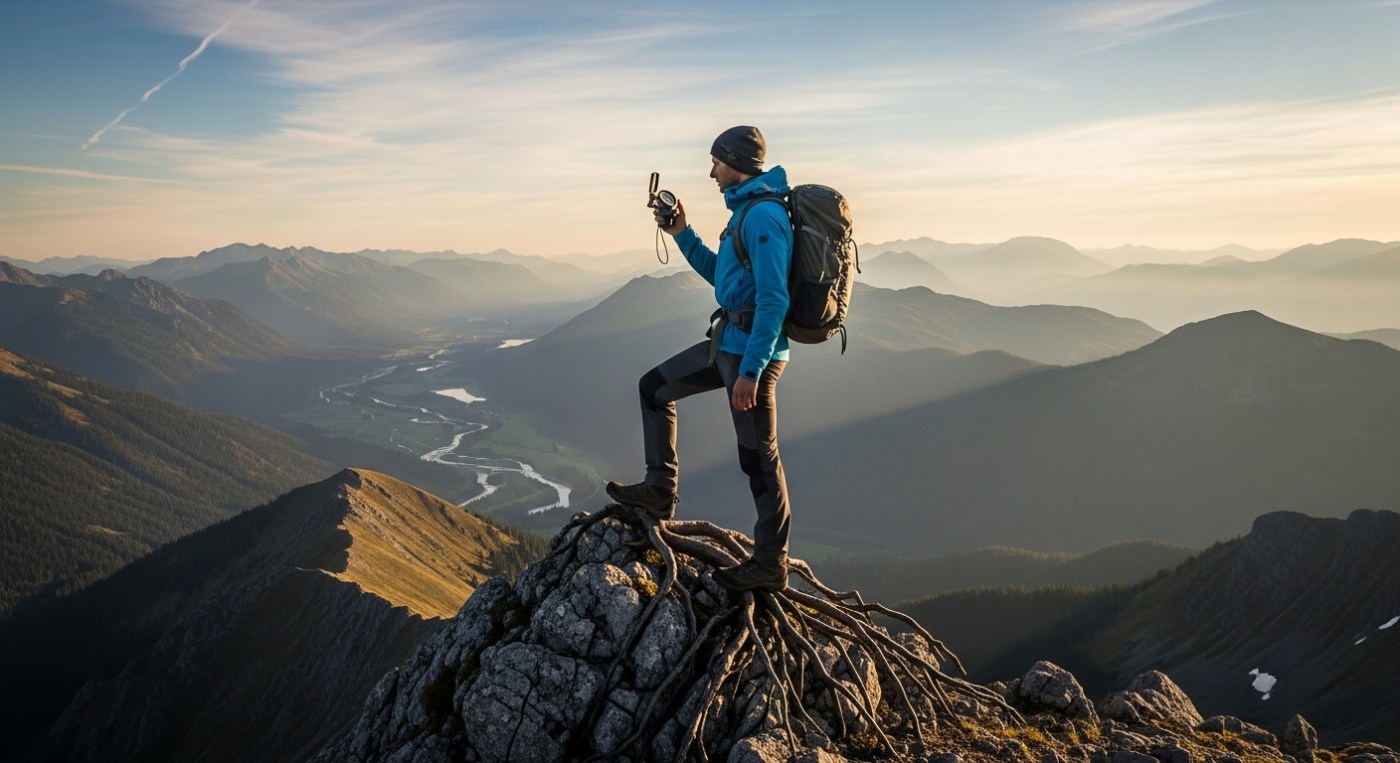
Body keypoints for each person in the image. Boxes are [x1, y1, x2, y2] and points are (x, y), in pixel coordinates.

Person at [607, 125, 795, 592]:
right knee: (654, 387)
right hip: (727, 345)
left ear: (736, 161)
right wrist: (681, 233)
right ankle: (659, 491)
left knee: (759, 460)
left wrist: (752, 372)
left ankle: (771, 562)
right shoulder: (745, 213)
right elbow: (724, 278)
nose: (711, 171)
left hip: (752, 354)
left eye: (716, 161)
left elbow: (774, 300)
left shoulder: (763, 218)